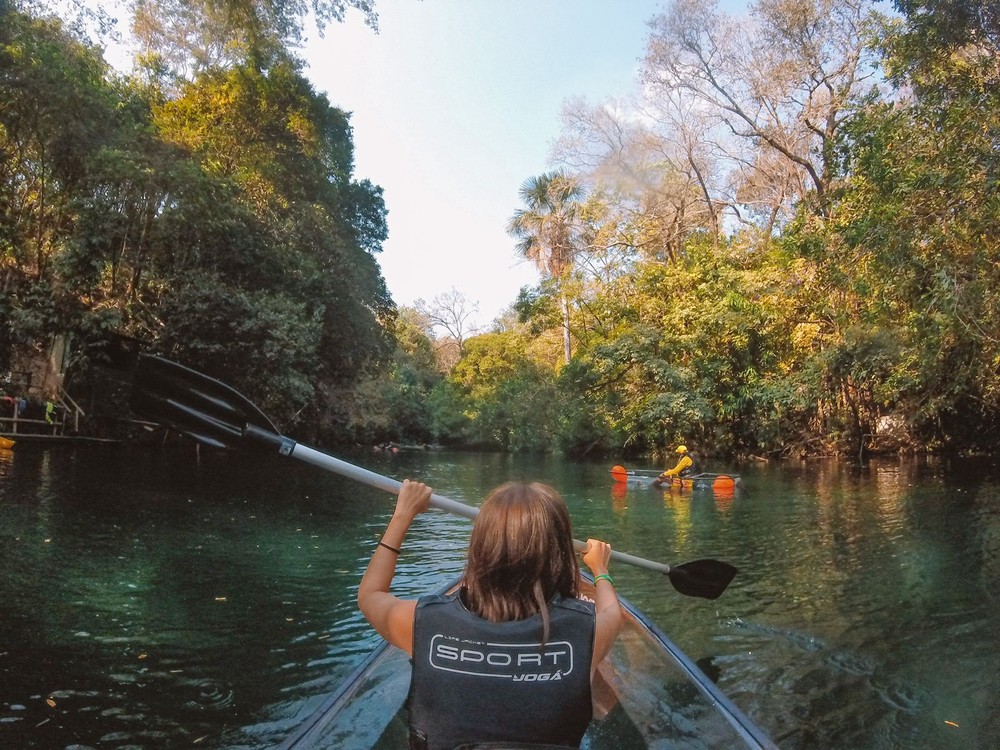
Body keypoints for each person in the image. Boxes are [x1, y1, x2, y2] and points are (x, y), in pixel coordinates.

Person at [358, 479, 624, 750]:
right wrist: (600, 568)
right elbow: (611, 611)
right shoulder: (587, 631)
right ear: (560, 553)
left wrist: (403, 514)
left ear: (481, 547)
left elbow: (370, 595)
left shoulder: (423, 623)